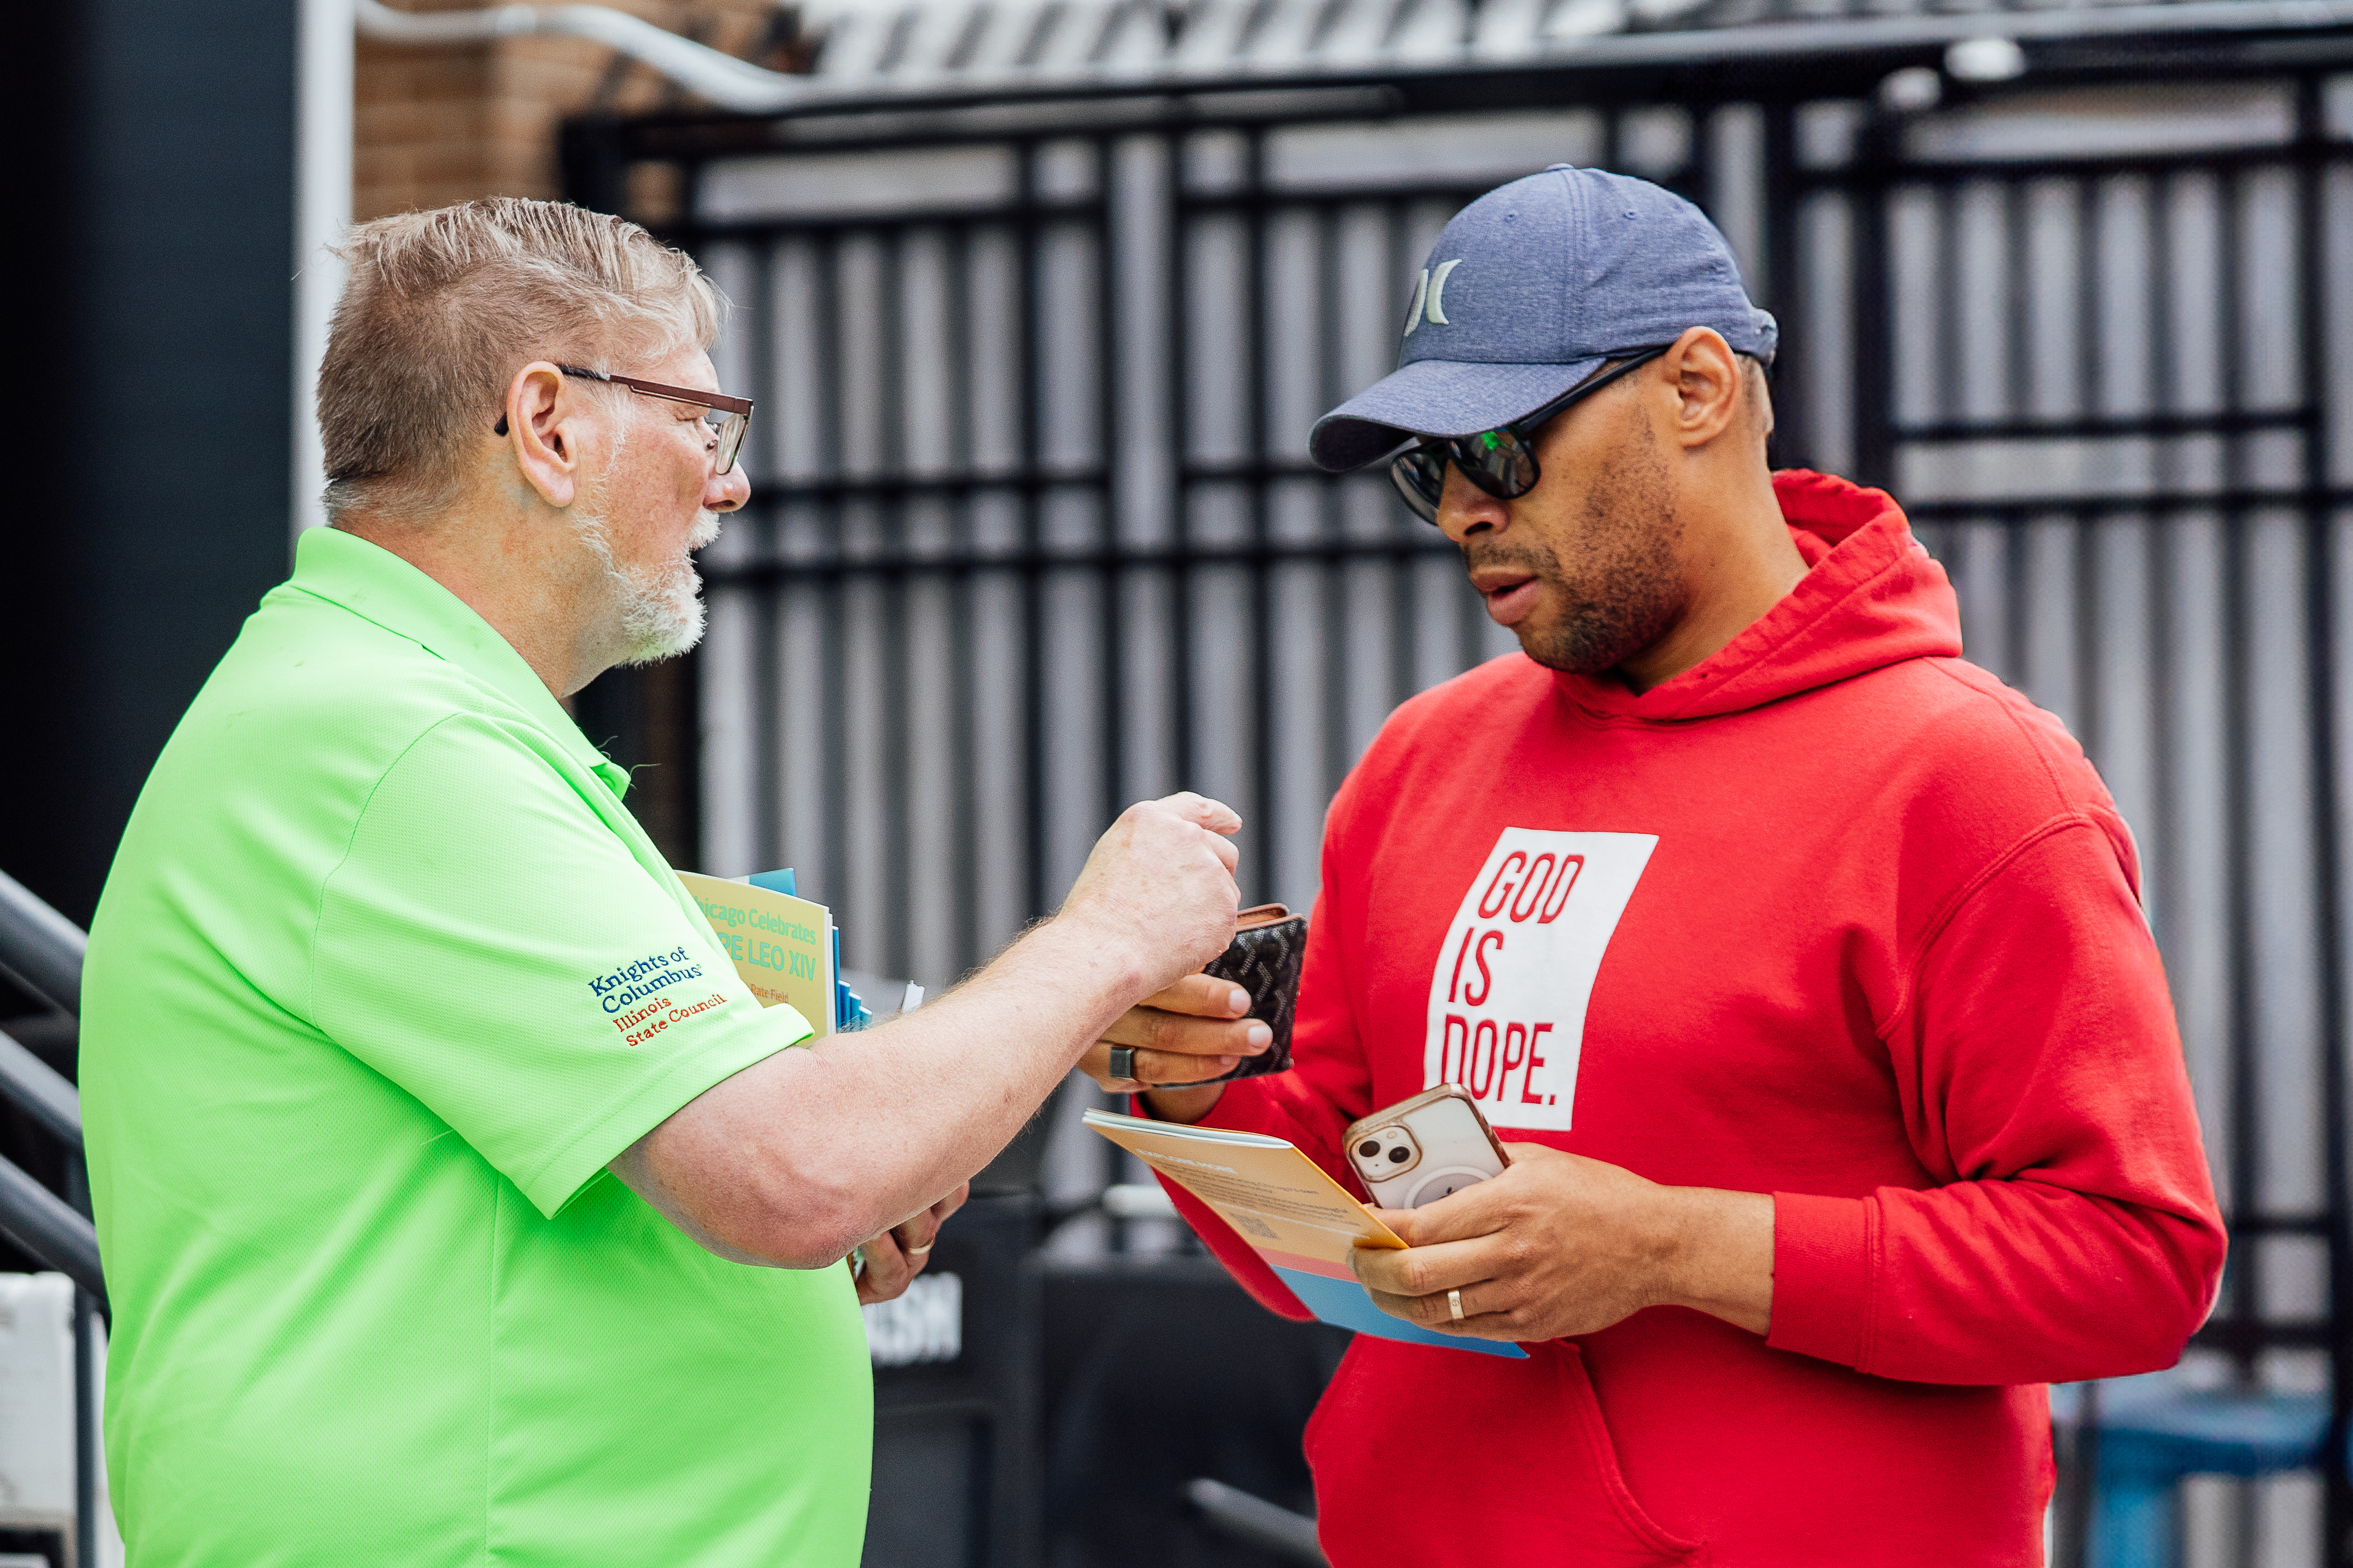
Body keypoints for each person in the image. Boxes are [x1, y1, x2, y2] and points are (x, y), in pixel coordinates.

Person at [1084, 166, 2226, 1566]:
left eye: (1499, 447)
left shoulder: (1968, 780)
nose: (1460, 512)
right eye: (1421, 469)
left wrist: (1674, 1248)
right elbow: (1349, 1219)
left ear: (1696, 389)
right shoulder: (1422, 761)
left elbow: (2132, 1263)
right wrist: (1195, 1090)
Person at [79, 197, 1246, 1567]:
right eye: (706, 422)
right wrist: (1104, 938)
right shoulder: (409, 745)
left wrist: (868, 1163)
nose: (729, 481)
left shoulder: (386, 712)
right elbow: (788, 1172)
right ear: (549, 425)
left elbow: (704, 1173)